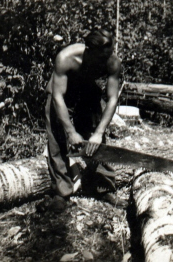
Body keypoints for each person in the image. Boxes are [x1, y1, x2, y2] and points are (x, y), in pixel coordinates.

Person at [40, 28, 127, 213]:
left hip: (86, 89)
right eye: (102, 56)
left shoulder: (113, 62)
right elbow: (57, 97)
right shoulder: (66, 58)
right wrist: (71, 132)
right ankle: (61, 192)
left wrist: (98, 133)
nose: (106, 60)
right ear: (89, 50)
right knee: (57, 137)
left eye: (109, 54)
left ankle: (102, 186)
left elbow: (112, 99)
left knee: (96, 133)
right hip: (61, 92)